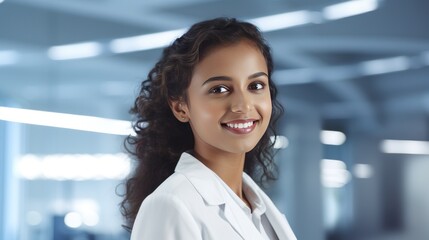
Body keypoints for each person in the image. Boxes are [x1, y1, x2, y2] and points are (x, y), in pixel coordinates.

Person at [121, 17, 296, 240]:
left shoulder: (258, 207)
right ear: (181, 106)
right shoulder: (170, 204)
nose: (243, 105)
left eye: (256, 86)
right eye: (220, 89)